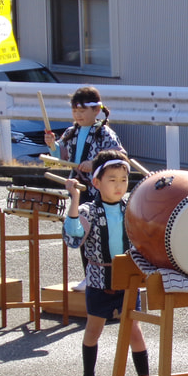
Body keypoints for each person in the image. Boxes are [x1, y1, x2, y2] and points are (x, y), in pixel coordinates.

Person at [62, 149, 156, 376]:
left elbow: (153, 223)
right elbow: (73, 239)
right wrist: (73, 199)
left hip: (128, 279)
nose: (119, 185)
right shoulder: (87, 211)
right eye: (112, 180)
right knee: (93, 330)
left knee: (134, 330)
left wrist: (157, 186)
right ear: (96, 182)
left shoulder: (132, 208)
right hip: (98, 278)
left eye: (123, 180)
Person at [45, 86, 125, 291]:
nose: (78, 115)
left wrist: (94, 163)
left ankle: (113, 275)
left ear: (96, 111)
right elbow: (60, 158)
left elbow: (119, 158)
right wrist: (52, 146)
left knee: (105, 235)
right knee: (83, 234)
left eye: (82, 111)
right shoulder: (71, 132)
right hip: (78, 189)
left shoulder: (104, 133)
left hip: (99, 191)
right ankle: (89, 276)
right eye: (74, 111)